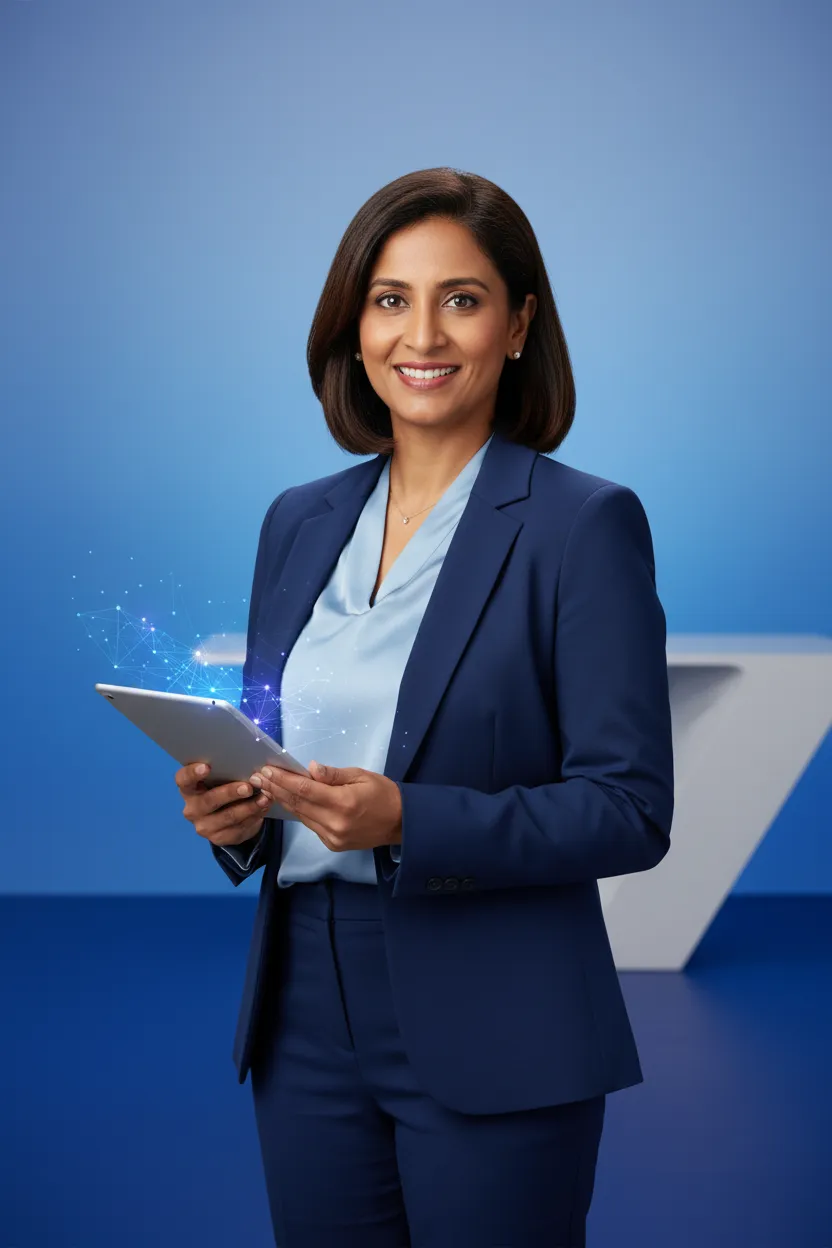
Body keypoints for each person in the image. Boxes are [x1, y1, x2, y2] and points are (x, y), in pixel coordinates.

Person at [175, 167, 674, 1247]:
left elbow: (629, 809)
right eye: (390, 298)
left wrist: (408, 819)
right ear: (353, 327)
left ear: (518, 324)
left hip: (498, 1010)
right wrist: (244, 815)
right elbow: (289, 752)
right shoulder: (296, 523)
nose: (422, 332)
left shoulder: (581, 526)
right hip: (302, 1002)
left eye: (462, 297)